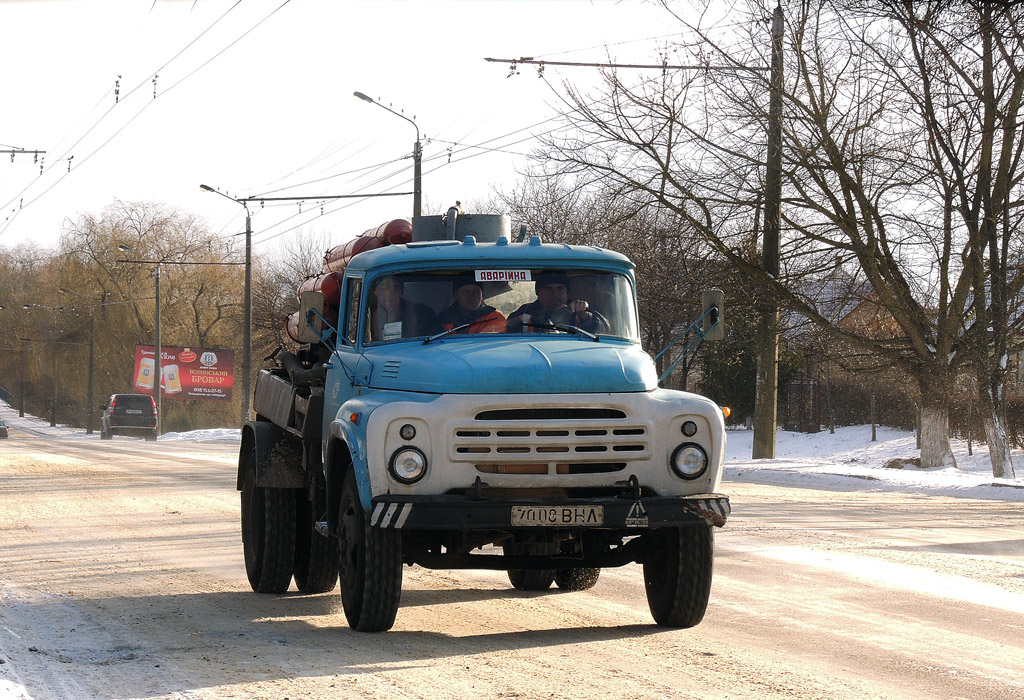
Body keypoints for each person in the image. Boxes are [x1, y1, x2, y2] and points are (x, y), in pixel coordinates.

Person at [507, 270, 607, 334]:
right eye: (548, 289)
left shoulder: (578, 310)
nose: (555, 294)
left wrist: (585, 315)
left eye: (560, 289)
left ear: (567, 292)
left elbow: (604, 331)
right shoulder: (527, 310)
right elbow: (507, 328)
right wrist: (543, 314)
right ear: (538, 292)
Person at [366, 275, 440, 341]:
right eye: (385, 288)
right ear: (375, 291)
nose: (391, 293)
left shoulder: (422, 313)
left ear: (401, 292)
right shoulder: (366, 314)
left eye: (396, 288)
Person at [437, 274, 507, 334]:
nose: (472, 297)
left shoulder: (494, 318)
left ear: (482, 296)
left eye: (476, 291)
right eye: (466, 292)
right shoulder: (443, 319)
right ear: (456, 296)